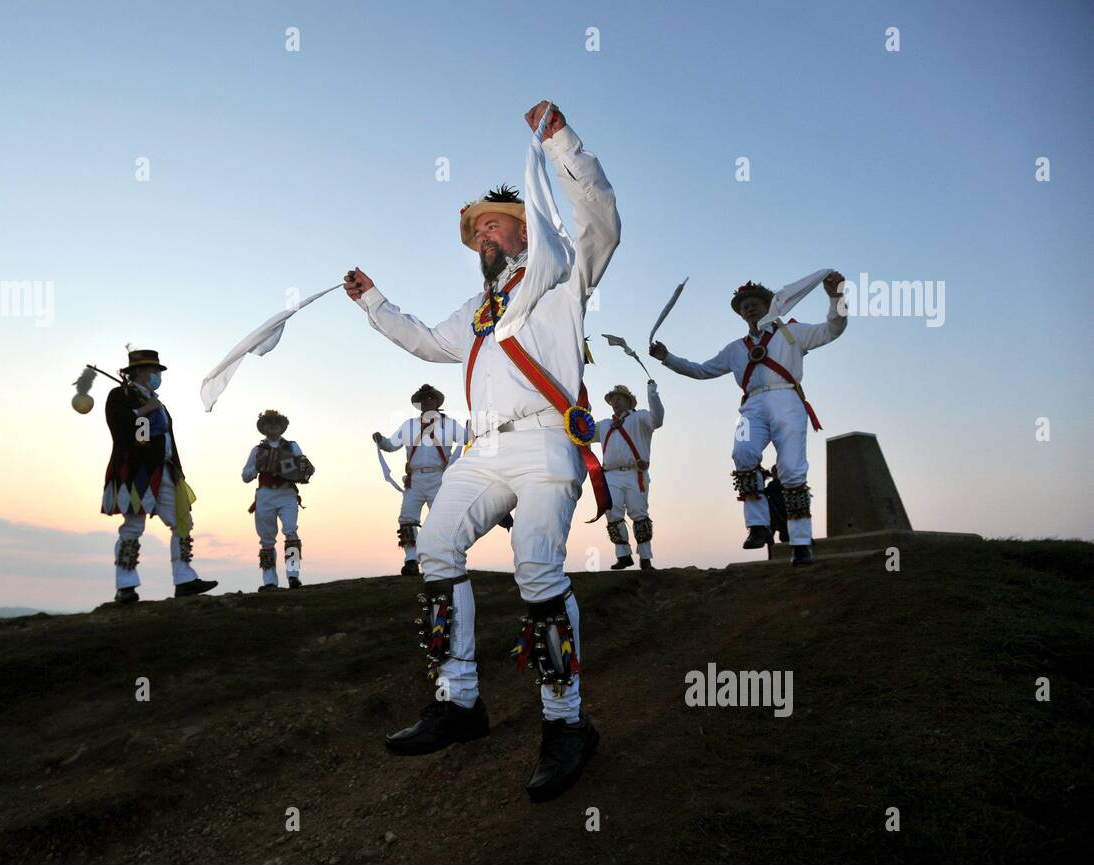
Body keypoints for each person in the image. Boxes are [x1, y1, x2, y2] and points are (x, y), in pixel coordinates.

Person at [343, 99, 620, 803]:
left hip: (548, 442)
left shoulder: (561, 279)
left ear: (525, 230)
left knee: (535, 569)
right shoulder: (475, 312)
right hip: (483, 447)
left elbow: (602, 220)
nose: (480, 237)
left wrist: (561, 142)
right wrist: (373, 300)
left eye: (492, 224)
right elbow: (423, 341)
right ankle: (460, 700)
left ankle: (566, 722)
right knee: (436, 543)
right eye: (474, 232)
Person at [649, 273, 846, 565]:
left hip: (787, 399)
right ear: (741, 314)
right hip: (751, 405)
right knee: (742, 452)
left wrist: (835, 298)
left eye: (755, 303)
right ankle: (758, 526)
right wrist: (668, 357)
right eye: (744, 306)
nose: (750, 309)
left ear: (770, 305)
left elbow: (832, 329)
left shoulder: (791, 332)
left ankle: (801, 542)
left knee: (792, 468)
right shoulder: (735, 349)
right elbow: (702, 370)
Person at [100, 348, 217, 603]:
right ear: (138, 373)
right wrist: (144, 410)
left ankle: (185, 579)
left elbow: (166, 438)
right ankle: (126, 585)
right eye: (153, 371)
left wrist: (177, 468)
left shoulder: (157, 402)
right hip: (135, 470)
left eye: (157, 371)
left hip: (165, 469)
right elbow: (124, 431)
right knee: (133, 525)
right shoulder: (120, 396)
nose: (156, 375)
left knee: (182, 520)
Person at [374, 384, 469, 576]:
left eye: (430, 397)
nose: (427, 401)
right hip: (414, 479)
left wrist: (471, 427)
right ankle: (411, 560)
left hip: (439, 478)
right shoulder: (409, 425)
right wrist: (380, 440)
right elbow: (391, 445)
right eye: (424, 398)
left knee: (442, 520)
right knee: (407, 519)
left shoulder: (449, 424)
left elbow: (465, 439)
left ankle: (445, 559)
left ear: (437, 401)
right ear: (420, 403)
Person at [594, 380, 664, 569]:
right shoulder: (604, 425)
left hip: (636, 473)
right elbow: (582, 433)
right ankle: (623, 555)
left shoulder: (640, 417)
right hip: (610, 475)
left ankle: (645, 557)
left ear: (629, 401)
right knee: (612, 512)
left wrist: (652, 393)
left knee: (639, 512)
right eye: (613, 399)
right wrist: (574, 414)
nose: (615, 402)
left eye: (619, 398)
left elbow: (657, 420)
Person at [242, 409, 314, 591]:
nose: (273, 428)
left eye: (276, 425)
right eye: (269, 425)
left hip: (287, 493)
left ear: (282, 428)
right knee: (267, 540)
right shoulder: (257, 450)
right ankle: (270, 582)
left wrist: (300, 469)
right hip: (265, 496)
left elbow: (303, 468)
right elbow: (245, 475)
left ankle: (293, 576)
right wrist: (258, 467)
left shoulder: (292, 446)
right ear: (263, 428)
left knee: (291, 531)